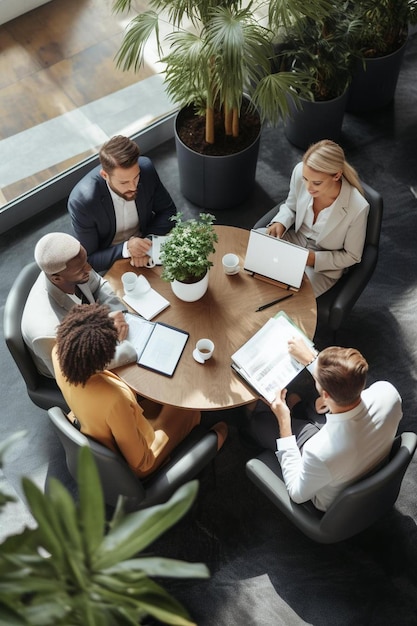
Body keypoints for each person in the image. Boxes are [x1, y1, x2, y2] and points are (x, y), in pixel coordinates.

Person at [52, 303, 228, 477]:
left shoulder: (59, 352)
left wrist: (106, 322)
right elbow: (139, 461)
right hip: (141, 458)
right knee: (190, 400)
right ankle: (210, 437)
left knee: (168, 392)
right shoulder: (113, 400)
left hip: (95, 424)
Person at [244, 337, 402, 512]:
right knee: (307, 405)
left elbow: (297, 493)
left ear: (326, 395)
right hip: (357, 456)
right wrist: (311, 360)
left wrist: (284, 421)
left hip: (327, 491)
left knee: (260, 423)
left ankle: (252, 420)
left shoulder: (318, 451)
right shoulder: (389, 393)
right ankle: (296, 404)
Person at [22, 232, 137, 378]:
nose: (89, 268)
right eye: (81, 269)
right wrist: (130, 349)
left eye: (86, 261)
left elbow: (99, 285)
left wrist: (116, 314)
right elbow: (74, 370)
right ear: (57, 279)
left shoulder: (75, 267)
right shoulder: (47, 331)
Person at [266, 140, 370, 297]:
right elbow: (291, 206)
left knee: (291, 297)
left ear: (337, 175)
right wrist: (280, 221)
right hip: (296, 241)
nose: (308, 188)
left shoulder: (358, 207)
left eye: (317, 183)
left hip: (323, 264)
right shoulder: (300, 171)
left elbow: (352, 256)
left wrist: (314, 259)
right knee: (257, 254)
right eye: (305, 180)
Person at [68, 135, 176, 272]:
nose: (133, 186)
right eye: (124, 182)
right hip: (111, 257)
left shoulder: (146, 170)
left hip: (147, 244)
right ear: (105, 175)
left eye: (136, 177)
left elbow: (169, 212)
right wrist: (127, 249)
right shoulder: (83, 202)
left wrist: (145, 244)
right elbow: (88, 259)